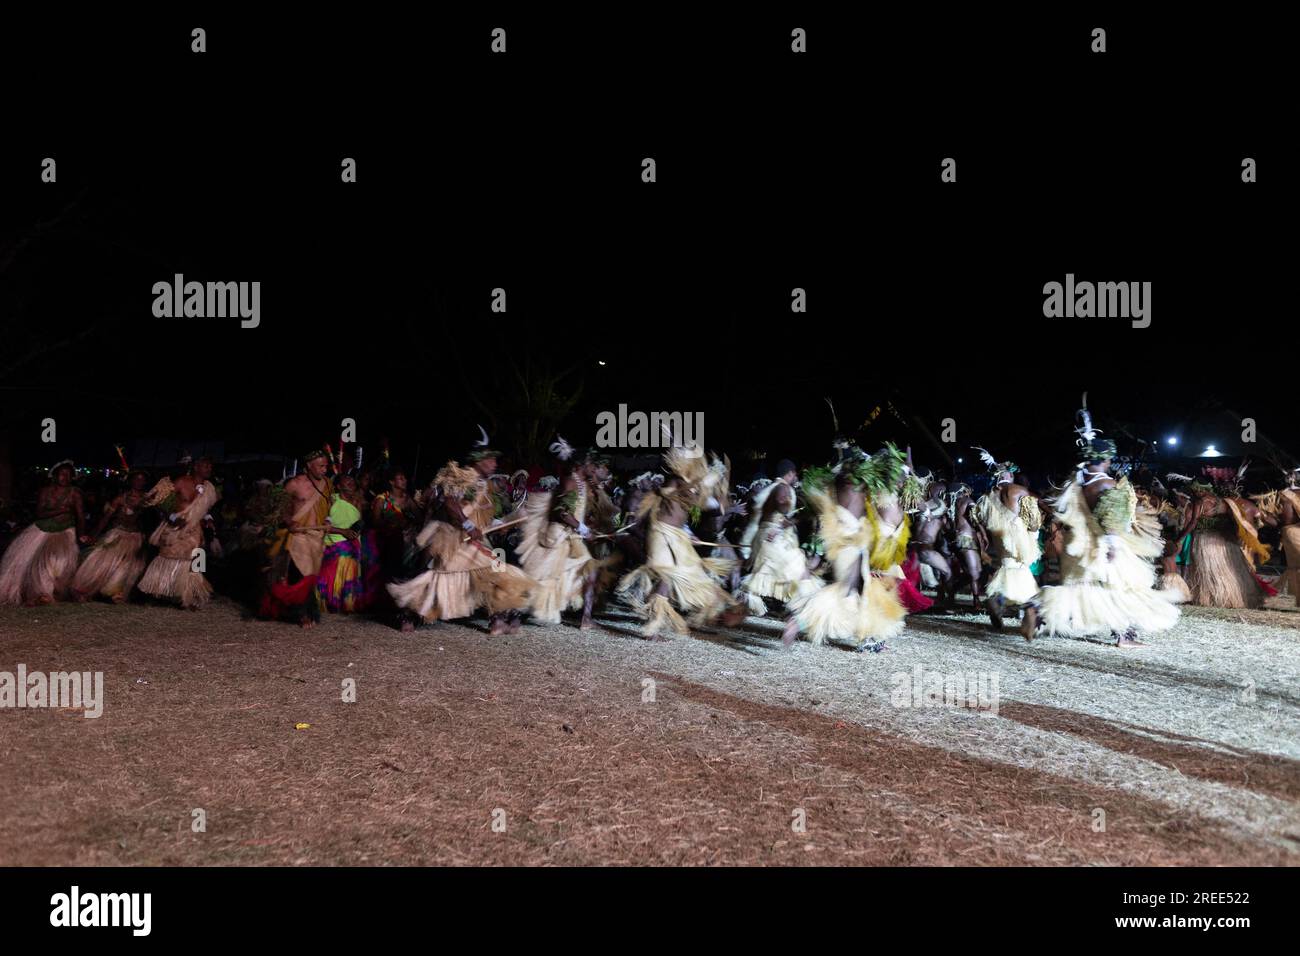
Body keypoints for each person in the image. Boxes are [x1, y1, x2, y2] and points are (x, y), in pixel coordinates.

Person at [1021, 397, 1179, 646]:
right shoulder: (1106, 483)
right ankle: (1124, 636)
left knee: (1080, 587)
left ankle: (1038, 607)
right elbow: (1111, 518)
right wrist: (1114, 546)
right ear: (1105, 459)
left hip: (1081, 542)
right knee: (1124, 588)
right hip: (1103, 543)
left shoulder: (1079, 482)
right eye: (1109, 458)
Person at [386, 428, 535, 634]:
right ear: (478, 460)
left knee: (488, 571)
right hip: (448, 536)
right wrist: (467, 525)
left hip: (466, 537)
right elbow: (450, 501)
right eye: (490, 460)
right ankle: (409, 615)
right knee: (441, 576)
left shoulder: (484, 484)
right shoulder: (464, 477)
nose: (494, 464)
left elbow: (479, 512)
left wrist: (503, 521)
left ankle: (497, 619)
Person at [615, 443, 746, 639]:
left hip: (678, 535)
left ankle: (658, 620)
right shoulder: (677, 481)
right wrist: (707, 481)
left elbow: (710, 508)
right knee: (667, 576)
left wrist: (721, 491)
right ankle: (653, 624)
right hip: (662, 533)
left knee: (688, 574)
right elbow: (683, 495)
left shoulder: (692, 485)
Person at [781, 448, 907, 651]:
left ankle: (868, 637)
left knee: (858, 589)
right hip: (850, 542)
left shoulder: (837, 482)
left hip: (847, 540)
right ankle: (799, 621)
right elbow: (894, 481)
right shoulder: (855, 483)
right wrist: (889, 463)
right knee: (847, 588)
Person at [737, 459, 822, 616]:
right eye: (794, 473)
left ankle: (737, 609)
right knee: (800, 570)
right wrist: (797, 513)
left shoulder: (772, 487)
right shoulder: (783, 488)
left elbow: (760, 510)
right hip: (773, 538)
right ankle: (803, 611)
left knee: (766, 576)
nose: (796, 476)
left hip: (765, 537)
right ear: (790, 473)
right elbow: (782, 508)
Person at [259, 450, 334, 626]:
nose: (324, 470)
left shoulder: (328, 484)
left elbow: (328, 506)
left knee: (311, 576)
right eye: (320, 466)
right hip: (298, 536)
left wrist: (328, 520)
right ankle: (301, 614)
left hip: (317, 537)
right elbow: (279, 508)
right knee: (302, 575)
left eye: (326, 466)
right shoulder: (294, 484)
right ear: (309, 466)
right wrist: (288, 521)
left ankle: (308, 610)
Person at [138, 455, 221, 610]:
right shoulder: (181, 482)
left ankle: (191, 596)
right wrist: (172, 516)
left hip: (196, 529)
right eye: (205, 465)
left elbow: (205, 509)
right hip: (175, 529)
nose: (209, 468)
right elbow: (159, 500)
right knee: (170, 559)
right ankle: (163, 592)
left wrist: (209, 518)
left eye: (210, 466)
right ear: (196, 467)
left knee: (197, 560)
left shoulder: (210, 488)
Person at [972, 448, 1042, 630]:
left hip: (998, 538)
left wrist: (985, 536)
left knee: (1008, 570)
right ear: (1009, 475)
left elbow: (978, 518)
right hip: (1018, 536)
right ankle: (1026, 613)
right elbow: (1033, 518)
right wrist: (1034, 535)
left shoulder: (987, 497)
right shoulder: (1018, 490)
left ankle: (997, 599)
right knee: (1023, 573)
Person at [0, 460, 87, 606]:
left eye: (68, 475)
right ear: (55, 476)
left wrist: (82, 534)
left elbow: (80, 515)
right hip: (42, 528)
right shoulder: (45, 491)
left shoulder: (75, 493)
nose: (65, 477)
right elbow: (40, 513)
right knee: (35, 562)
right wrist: (62, 510)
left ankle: (50, 592)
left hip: (65, 530)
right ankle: (41, 592)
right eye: (61, 474)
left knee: (59, 561)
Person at [72, 469, 150, 603]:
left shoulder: (148, 499)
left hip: (135, 537)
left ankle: (116, 593)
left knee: (126, 566)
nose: (139, 482)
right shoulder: (120, 498)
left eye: (142, 480)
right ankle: (87, 589)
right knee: (102, 562)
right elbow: (106, 518)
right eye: (136, 479)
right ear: (130, 481)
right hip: (117, 535)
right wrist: (94, 535)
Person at [317, 473, 380, 613]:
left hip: (353, 544)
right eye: (347, 481)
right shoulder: (331, 500)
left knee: (350, 573)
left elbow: (359, 523)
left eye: (352, 480)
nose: (351, 482)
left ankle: (345, 604)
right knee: (332, 575)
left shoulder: (358, 502)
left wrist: (356, 531)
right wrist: (342, 531)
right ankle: (329, 603)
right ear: (338, 486)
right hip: (334, 543)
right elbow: (323, 524)